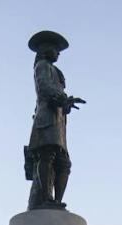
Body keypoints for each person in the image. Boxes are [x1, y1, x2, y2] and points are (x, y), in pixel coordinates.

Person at [25, 30, 85, 210]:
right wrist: (63, 99)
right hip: (46, 119)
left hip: (59, 123)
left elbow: (57, 94)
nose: (58, 53)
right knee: (46, 156)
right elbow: (44, 88)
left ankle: (57, 202)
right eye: (55, 49)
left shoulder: (56, 71)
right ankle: (46, 199)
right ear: (45, 50)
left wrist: (66, 103)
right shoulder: (42, 66)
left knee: (63, 163)